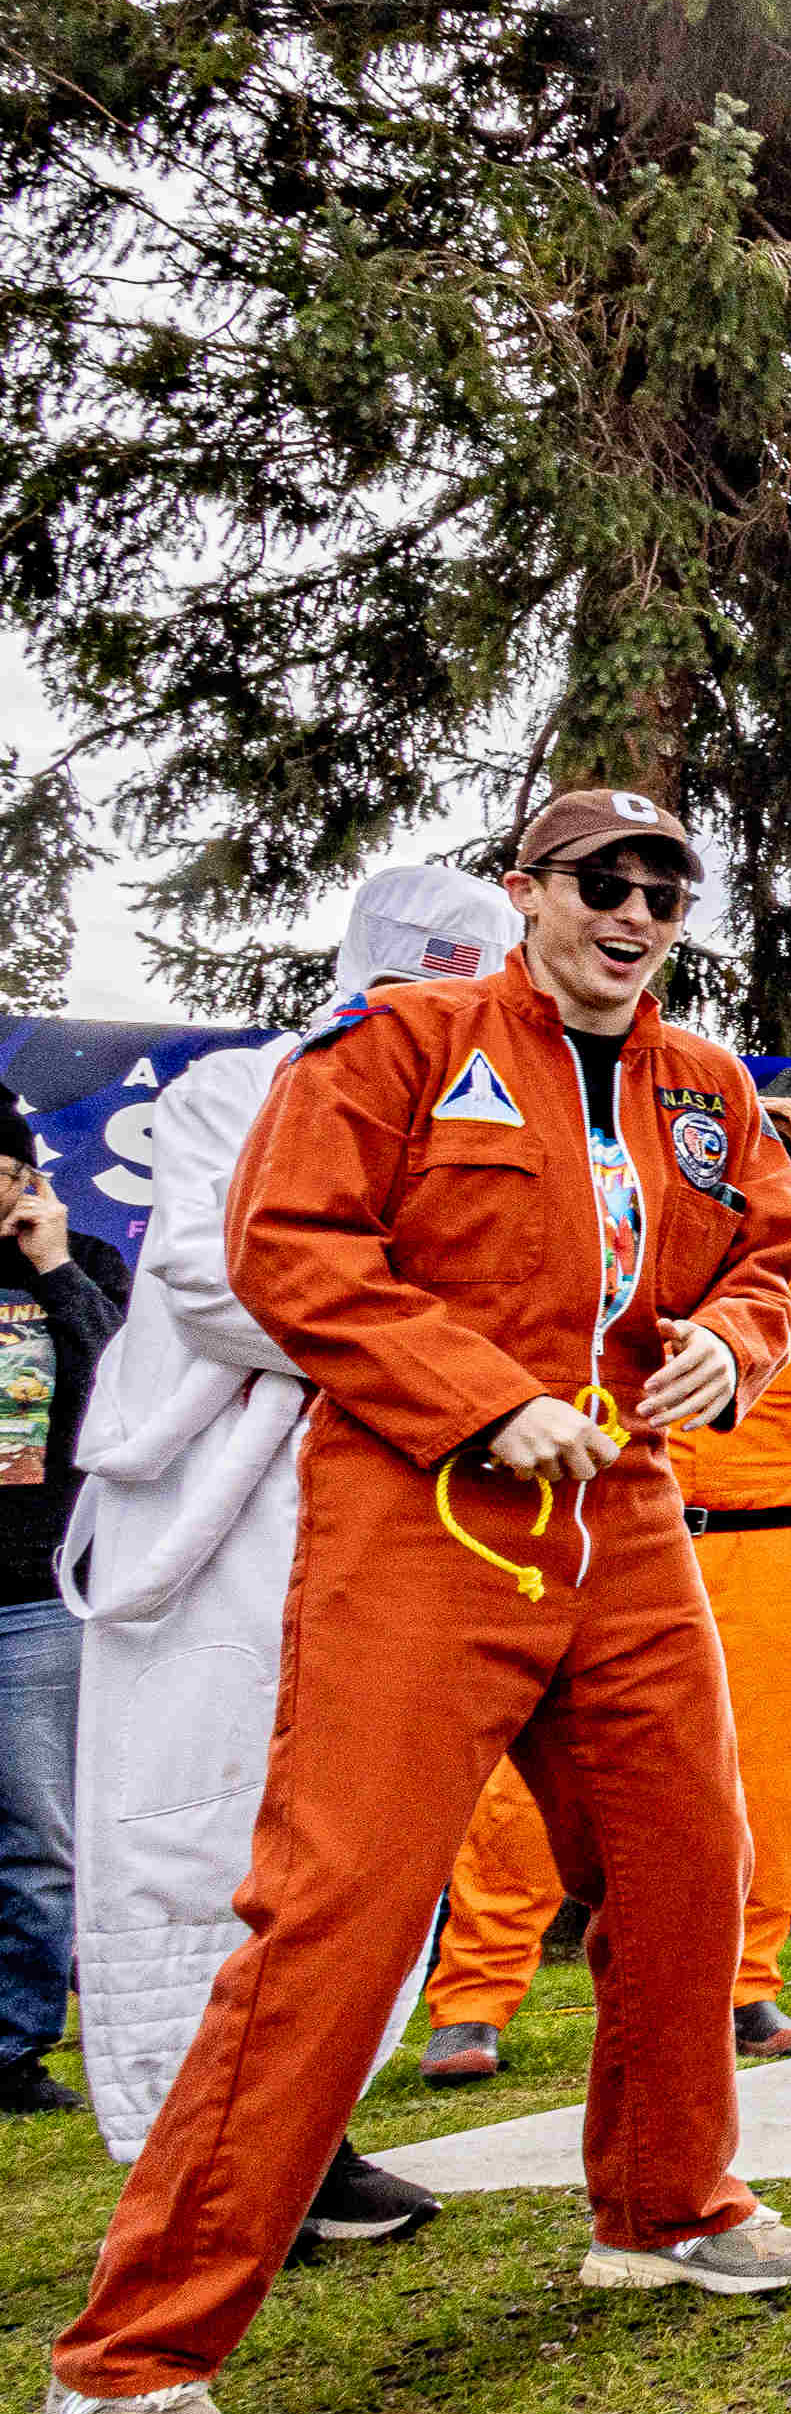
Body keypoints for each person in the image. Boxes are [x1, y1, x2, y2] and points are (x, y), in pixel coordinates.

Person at [33, 789, 791, 2414]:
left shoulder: (706, 1090)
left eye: (661, 891)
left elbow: (774, 1251)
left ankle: (666, 2203)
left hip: (621, 1518)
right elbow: (281, 1250)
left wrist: (732, 1341)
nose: (632, 914)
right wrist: (483, 1395)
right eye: (600, 884)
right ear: (528, 892)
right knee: (337, 1908)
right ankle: (131, 2361)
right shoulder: (407, 1040)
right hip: (421, 1512)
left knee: (688, 1857)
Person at [59, 870, 518, 2249]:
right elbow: (226, 1273)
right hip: (223, 1512)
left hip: (394, 1498)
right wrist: (430, 1346)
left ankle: (310, 2128)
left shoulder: (495, 1114)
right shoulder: (245, 1091)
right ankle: (188, 2157)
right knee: (202, 1818)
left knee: (359, 1824)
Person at [420, 1070, 791, 2072]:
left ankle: (743, 1987)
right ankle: (473, 2003)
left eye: (752, 1154)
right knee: (525, 1782)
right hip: (614, 1530)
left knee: (771, 1778)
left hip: (774, 1548)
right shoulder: (630, 1250)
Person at [0, 1086, 130, 2119]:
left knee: (38, 1833)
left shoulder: (79, 1265)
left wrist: (49, 1267)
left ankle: (13, 2049)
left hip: (33, 1592)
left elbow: (124, 1390)